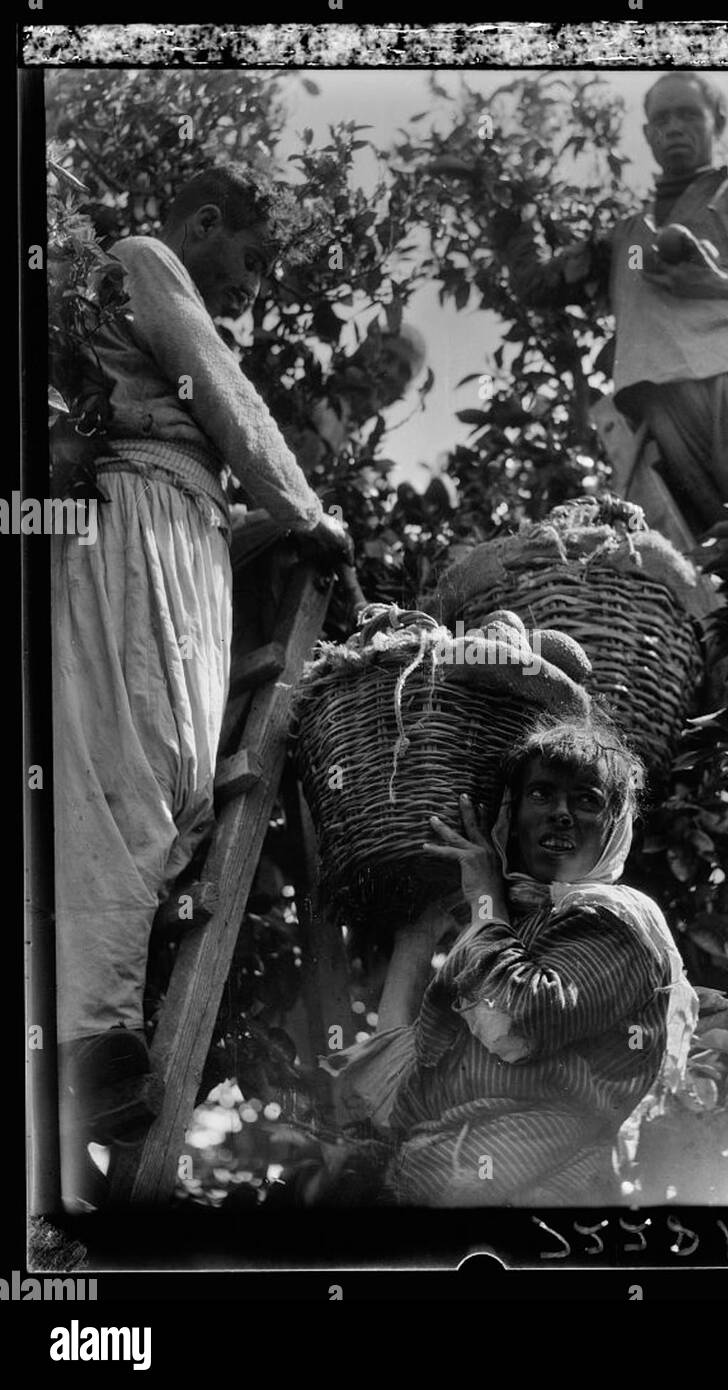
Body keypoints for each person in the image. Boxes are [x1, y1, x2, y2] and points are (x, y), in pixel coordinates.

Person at [52, 164, 353, 1193]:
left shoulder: (163, 288)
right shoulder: (146, 259)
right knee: (128, 770)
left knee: (181, 788)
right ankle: (91, 1041)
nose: (252, 286)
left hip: (186, 533)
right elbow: (217, 396)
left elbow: (216, 440)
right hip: (137, 516)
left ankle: (98, 1028)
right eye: (253, 259)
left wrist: (288, 530)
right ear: (207, 224)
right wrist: (306, 508)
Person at [325, 715, 698, 1206]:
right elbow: (401, 1077)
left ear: (614, 825)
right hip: (440, 1181)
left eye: (587, 799)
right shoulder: (512, 923)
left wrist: (482, 894)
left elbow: (517, 1020)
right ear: (511, 814)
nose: (561, 813)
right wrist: (420, 934)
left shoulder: (616, 923)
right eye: (541, 794)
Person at [489, 73, 728, 537]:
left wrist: (725, 283)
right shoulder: (625, 237)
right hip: (660, 405)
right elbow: (539, 285)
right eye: (662, 118)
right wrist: (514, 205)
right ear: (648, 134)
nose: (674, 126)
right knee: (717, 570)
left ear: (718, 123)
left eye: (688, 114)